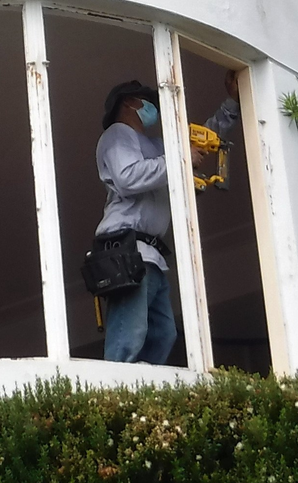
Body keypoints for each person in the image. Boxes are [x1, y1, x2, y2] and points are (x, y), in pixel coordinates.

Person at [94, 72, 239, 363]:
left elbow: (203, 137)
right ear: (130, 103)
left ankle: (141, 389)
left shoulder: (156, 147)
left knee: (163, 333)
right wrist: (179, 159)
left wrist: (232, 103)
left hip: (150, 254)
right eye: (146, 101)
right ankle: (119, 390)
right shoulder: (118, 134)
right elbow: (127, 177)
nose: (152, 108)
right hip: (127, 248)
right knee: (129, 334)